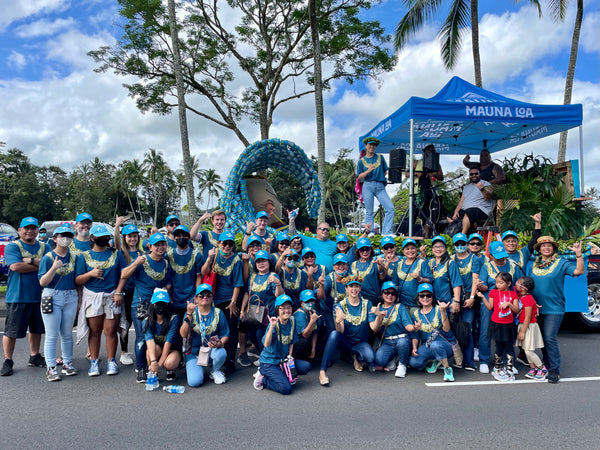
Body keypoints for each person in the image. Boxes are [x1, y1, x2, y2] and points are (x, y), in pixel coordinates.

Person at [115, 232, 172, 383]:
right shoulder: (142, 260)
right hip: (141, 304)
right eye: (157, 245)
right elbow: (123, 274)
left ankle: (154, 364)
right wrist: (135, 263)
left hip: (159, 304)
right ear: (150, 246)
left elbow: (168, 281)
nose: (160, 247)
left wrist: (165, 289)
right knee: (142, 335)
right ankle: (141, 368)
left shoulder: (165, 263)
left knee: (157, 334)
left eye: (162, 244)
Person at [527, 236, 584, 384]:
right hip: (536, 309)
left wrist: (578, 255)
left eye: (549, 246)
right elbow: (526, 286)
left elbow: (579, 271)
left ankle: (554, 370)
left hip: (554, 308)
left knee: (549, 337)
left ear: (553, 249)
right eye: (543, 245)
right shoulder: (532, 265)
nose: (546, 248)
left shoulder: (561, 263)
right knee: (542, 340)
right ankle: (546, 365)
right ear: (539, 249)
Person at [1, 217, 52, 377]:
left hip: (41, 295)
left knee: (37, 329)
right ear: (20, 230)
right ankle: (8, 360)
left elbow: (51, 264)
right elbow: (15, 266)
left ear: (37, 230)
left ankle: (34, 356)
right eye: (26, 228)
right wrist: (40, 265)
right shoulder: (13, 247)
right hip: (18, 296)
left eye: (33, 228)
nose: (30, 231)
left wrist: (29, 260)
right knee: (11, 331)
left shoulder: (45, 246)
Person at [75, 224, 127, 377]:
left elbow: (124, 274)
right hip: (92, 296)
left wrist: (119, 292)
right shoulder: (83, 256)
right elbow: (78, 279)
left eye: (106, 237)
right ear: (92, 238)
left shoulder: (116, 254)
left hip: (112, 296)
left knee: (110, 330)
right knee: (95, 331)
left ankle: (112, 360)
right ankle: (94, 361)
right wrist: (91, 273)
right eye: (100, 237)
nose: (104, 239)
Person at [318, 276, 384, 386]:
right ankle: (322, 372)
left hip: (361, 342)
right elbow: (341, 330)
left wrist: (378, 317)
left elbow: (374, 328)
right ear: (346, 289)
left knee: (370, 358)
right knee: (334, 334)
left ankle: (357, 357)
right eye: (351, 286)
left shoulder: (367, 304)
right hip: (346, 341)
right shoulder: (341, 305)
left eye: (357, 286)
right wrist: (338, 322)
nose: (354, 289)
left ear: (360, 288)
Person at [475, 241, 524, 374]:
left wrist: (525, 299)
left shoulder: (513, 266)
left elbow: (520, 285)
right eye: (497, 255)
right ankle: (484, 360)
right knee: (486, 331)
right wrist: (480, 286)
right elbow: (485, 286)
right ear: (491, 255)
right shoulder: (486, 267)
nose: (500, 258)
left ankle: (508, 362)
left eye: (502, 255)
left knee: (508, 332)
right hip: (491, 301)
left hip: (508, 302)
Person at [38, 225, 79, 381]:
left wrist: (79, 300)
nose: (65, 238)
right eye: (62, 235)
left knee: (67, 334)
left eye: (69, 235)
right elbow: (43, 281)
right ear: (54, 238)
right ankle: (51, 368)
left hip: (71, 296)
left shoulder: (75, 257)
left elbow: (77, 280)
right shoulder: (48, 258)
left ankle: (68, 363)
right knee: (52, 335)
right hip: (52, 297)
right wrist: (54, 268)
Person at [201, 230, 243, 374]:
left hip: (230, 299)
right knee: (216, 329)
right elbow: (203, 272)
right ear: (219, 243)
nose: (227, 246)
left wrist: (233, 302)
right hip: (214, 299)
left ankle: (230, 361)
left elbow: (238, 284)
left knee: (230, 330)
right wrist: (209, 258)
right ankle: (216, 359)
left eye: (230, 244)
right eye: (225, 243)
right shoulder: (215, 254)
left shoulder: (236, 260)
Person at [253, 295, 311, 394]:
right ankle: (263, 379)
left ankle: (280, 374)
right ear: (277, 310)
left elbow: (292, 341)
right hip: (269, 362)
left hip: (282, 360)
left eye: (288, 307)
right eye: (282, 308)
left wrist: (290, 357)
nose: (286, 311)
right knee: (286, 389)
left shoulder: (292, 321)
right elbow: (266, 344)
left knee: (306, 366)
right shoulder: (274, 323)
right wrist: (271, 327)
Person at [238, 250, 283, 367]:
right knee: (252, 335)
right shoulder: (253, 276)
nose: (261, 264)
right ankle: (264, 355)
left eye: (264, 261)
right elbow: (247, 294)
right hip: (254, 314)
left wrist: (278, 284)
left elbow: (279, 296)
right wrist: (242, 310)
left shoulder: (272, 276)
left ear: (268, 262)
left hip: (268, 315)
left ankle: (269, 359)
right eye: (258, 261)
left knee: (260, 335)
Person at [181, 284, 229, 386]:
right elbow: (183, 334)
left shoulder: (218, 312)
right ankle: (193, 367)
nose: (205, 297)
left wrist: (219, 343)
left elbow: (225, 334)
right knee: (194, 382)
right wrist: (189, 314)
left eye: (208, 294)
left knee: (221, 352)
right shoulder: (190, 313)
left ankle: (215, 370)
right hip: (194, 351)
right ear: (196, 299)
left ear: (212, 297)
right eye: (201, 295)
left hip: (212, 350)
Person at [408, 283, 456, 382]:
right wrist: (414, 348)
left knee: (435, 346)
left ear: (432, 297)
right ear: (418, 297)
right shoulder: (416, 314)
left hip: (446, 345)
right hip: (428, 346)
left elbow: (447, 329)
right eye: (422, 295)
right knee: (414, 362)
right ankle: (436, 360)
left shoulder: (439, 309)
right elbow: (415, 335)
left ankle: (447, 369)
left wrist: (443, 312)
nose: (425, 298)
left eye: (428, 295)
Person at [476, 272, 519, 381]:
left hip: (509, 324)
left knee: (509, 346)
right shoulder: (493, 292)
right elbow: (490, 307)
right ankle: (497, 367)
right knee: (498, 345)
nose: (498, 285)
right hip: (497, 323)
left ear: (508, 283)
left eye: (501, 283)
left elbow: (516, 309)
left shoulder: (513, 294)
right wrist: (482, 298)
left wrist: (509, 304)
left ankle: (509, 368)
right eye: (496, 282)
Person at [449, 233, 482, 371]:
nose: (460, 246)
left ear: (467, 244)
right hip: (454, 297)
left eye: (463, 243)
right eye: (457, 244)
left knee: (467, 328)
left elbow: (476, 279)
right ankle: (458, 359)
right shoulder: (450, 259)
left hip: (468, 297)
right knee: (455, 329)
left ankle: (469, 361)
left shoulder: (474, 259)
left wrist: (472, 298)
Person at [374, 281, 417, 378]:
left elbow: (408, 325)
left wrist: (414, 327)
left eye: (393, 293)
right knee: (379, 361)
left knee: (402, 343)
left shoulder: (400, 307)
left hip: (401, 338)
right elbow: (375, 330)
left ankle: (402, 364)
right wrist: (379, 317)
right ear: (382, 294)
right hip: (387, 341)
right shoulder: (378, 309)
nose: (390, 295)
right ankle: (394, 356)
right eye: (386, 292)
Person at [356, 136, 395, 236]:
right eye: (370, 145)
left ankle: (386, 232)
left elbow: (385, 171)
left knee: (390, 208)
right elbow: (359, 176)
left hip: (380, 186)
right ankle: (370, 232)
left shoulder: (380, 158)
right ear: (365, 146)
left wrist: (379, 177)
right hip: (367, 185)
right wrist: (368, 171)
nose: (372, 147)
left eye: (374, 145)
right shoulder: (361, 161)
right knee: (369, 211)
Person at [165, 224, 204, 321]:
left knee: (189, 329)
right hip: (174, 298)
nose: (181, 238)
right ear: (174, 238)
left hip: (190, 297)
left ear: (189, 238)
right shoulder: (168, 256)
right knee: (175, 331)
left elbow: (199, 276)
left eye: (184, 235)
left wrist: (196, 296)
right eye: (178, 235)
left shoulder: (196, 255)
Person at [144, 290, 181, 382]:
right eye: (158, 303)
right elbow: (149, 341)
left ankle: (169, 371)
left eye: (163, 304)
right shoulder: (147, 320)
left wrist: (158, 366)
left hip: (172, 349)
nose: (160, 306)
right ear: (153, 305)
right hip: (157, 349)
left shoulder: (174, 319)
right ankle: (151, 370)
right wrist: (153, 362)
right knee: (150, 351)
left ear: (168, 304)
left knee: (169, 363)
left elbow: (168, 343)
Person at [118, 224, 142, 366]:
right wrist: (116, 226)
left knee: (140, 322)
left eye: (135, 236)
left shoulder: (142, 252)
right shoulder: (121, 253)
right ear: (124, 238)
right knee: (125, 322)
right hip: (126, 291)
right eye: (129, 236)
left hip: (139, 292)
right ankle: (124, 352)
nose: (132, 239)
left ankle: (141, 349)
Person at [514, 276, 547, 381]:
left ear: (524, 288)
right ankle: (533, 369)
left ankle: (542, 368)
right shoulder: (522, 296)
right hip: (523, 325)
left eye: (518, 283)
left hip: (528, 326)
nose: (516, 284)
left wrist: (522, 331)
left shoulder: (528, 299)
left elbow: (528, 317)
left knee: (528, 350)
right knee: (525, 348)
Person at [409, 144, 444, 238]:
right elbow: (407, 174)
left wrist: (433, 174)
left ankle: (428, 235)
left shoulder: (436, 163)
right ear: (425, 152)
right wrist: (417, 174)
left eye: (434, 151)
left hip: (430, 192)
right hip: (417, 192)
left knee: (429, 214)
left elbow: (441, 177)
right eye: (431, 151)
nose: (433, 153)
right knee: (413, 214)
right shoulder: (416, 162)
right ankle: (410, 234)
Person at [391, 239, 432, 315]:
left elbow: (430, 280)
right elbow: (395, 284)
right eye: (407, 249)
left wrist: (419, 278)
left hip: (417, 304)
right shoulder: (399, 265)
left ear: (416, 250)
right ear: (403, 251)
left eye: (413, 248)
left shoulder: (422, 263)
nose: (410, 251)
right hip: (402, 304)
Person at [452, 168, 493, 234]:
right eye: (471, 174)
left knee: (469, 211)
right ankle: (457, 232)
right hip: (467, 210)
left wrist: (482, 189)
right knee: (450, 216)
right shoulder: (466, 187)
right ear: (469, 176)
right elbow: (462, 201)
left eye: (476, 174)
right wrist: (456, 211)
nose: (474, 175)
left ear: (480, 174)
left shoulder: (486, 184)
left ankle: (463, 235)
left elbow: (488, 197)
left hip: (481, 209)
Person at [317, 253, 350, 334]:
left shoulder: (350, 278)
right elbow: (320, 296)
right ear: (333, 267)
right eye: (338, 264)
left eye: (343, 264)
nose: (341, 266)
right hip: (329, 311)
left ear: (347, 266)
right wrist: (321, 285)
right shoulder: (329, 279)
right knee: (333, 329)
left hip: (345, 310)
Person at [350, 237, 386, 304]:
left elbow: (382, 277)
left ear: (371, 250)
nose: (365, 252)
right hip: (358, 299)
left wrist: (380, 266)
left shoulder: (375, 261)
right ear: (358, 251)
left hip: (372, 299)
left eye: (367, 249)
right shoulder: (354, 264)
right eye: (362, 250)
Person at [292, 290, 321, 362]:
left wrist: (313, 348)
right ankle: (298, 360)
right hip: (297, 342)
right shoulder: (300, 314)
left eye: (312, 301)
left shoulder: (314, 311)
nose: (310, 304)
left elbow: (315, 332)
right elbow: (305, 335)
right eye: (307, 301)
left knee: (320, 346)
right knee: (303, 342)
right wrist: (312, 322)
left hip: (310, 338)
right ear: (302, 303)